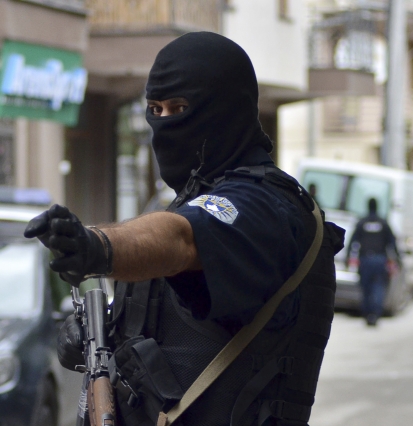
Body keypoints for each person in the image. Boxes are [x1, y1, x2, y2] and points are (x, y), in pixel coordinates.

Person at [24, 32, 344, 426]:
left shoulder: (267, 207)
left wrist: (99, 246)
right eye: (154, 109)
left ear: (227, 110)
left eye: (179, 108)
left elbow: (181, 240)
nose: (163, 123)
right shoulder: (193, 200)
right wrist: (102, 335)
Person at [347, 198, 399, 326]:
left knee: (366, 288)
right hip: (380, 260)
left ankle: (367, 314)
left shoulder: (362, 223)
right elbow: (392, 242)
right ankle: (375, 314)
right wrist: (398, 259)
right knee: (378, 287)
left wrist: (348, 257)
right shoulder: (383, 223)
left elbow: (352, 242)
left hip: (365, 260)